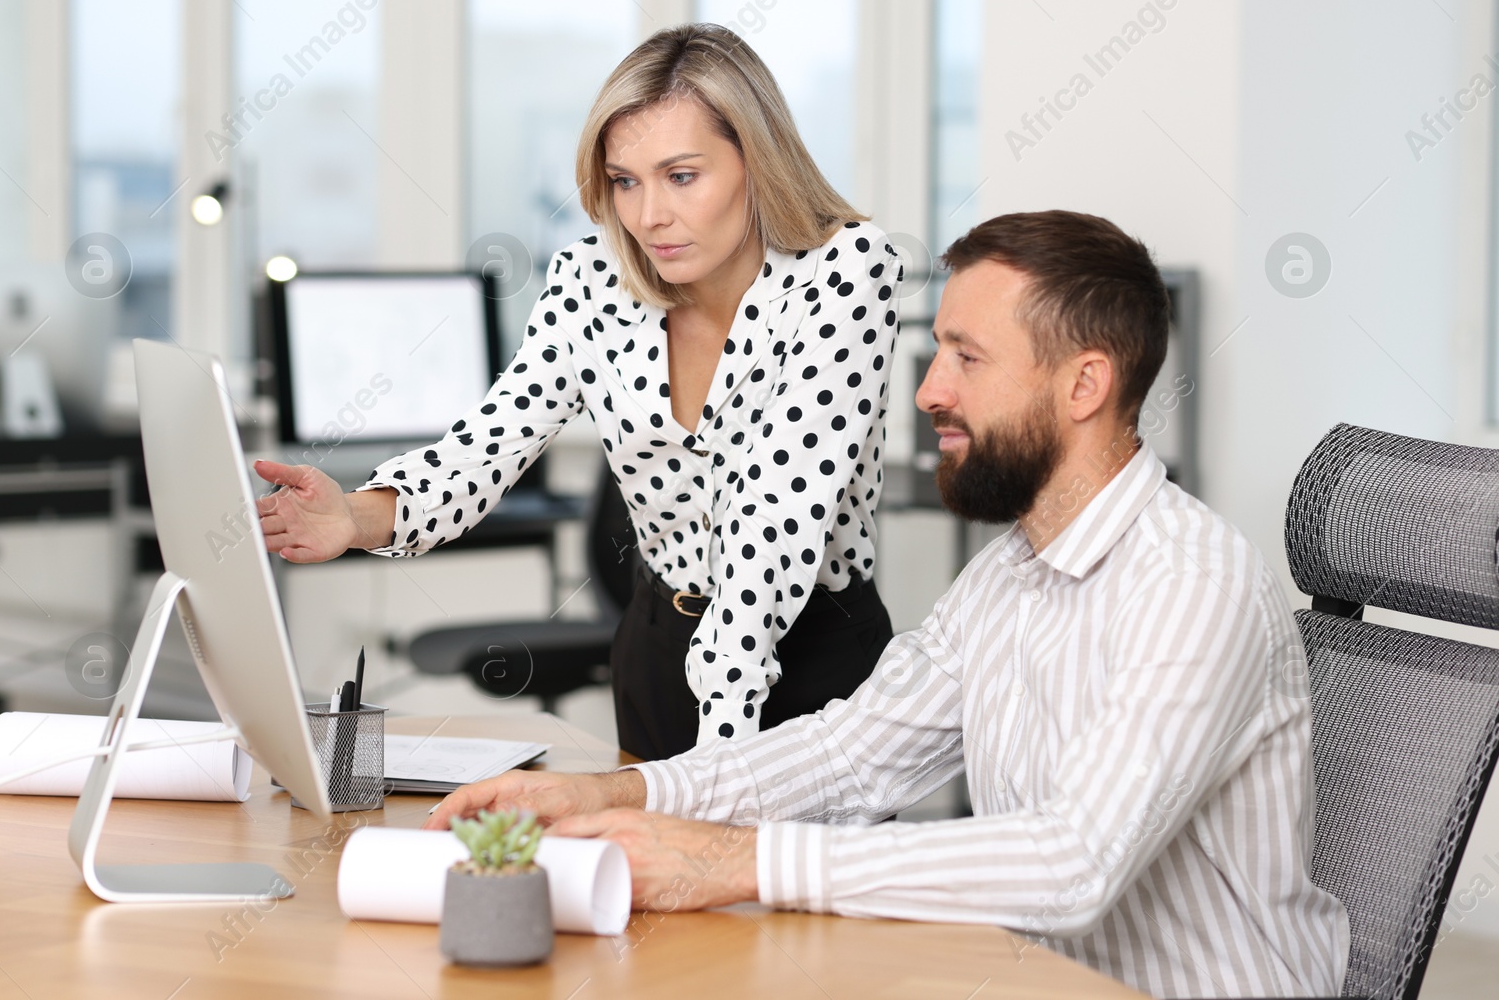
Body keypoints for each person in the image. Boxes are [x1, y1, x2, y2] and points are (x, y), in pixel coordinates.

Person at [424, 210, 1351, 999]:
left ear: (1085, 384)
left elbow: (1073, 862)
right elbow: (853, 753)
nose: (927, 390)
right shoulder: (1011, 571)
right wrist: (614, 792)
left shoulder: (1190, 585)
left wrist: (736, 863)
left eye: (966, 357)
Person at [254, 23, 901, 761]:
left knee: (786, 879)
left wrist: (718, 763)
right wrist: (355, 515)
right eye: (625, 180)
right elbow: (488, 444)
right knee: (646, 876)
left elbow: (773, 521)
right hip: (660, 646)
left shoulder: (845, 271)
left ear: (756, 161)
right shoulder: (593, 280)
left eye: (681, 176)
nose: (648, 214)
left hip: (810, 656)